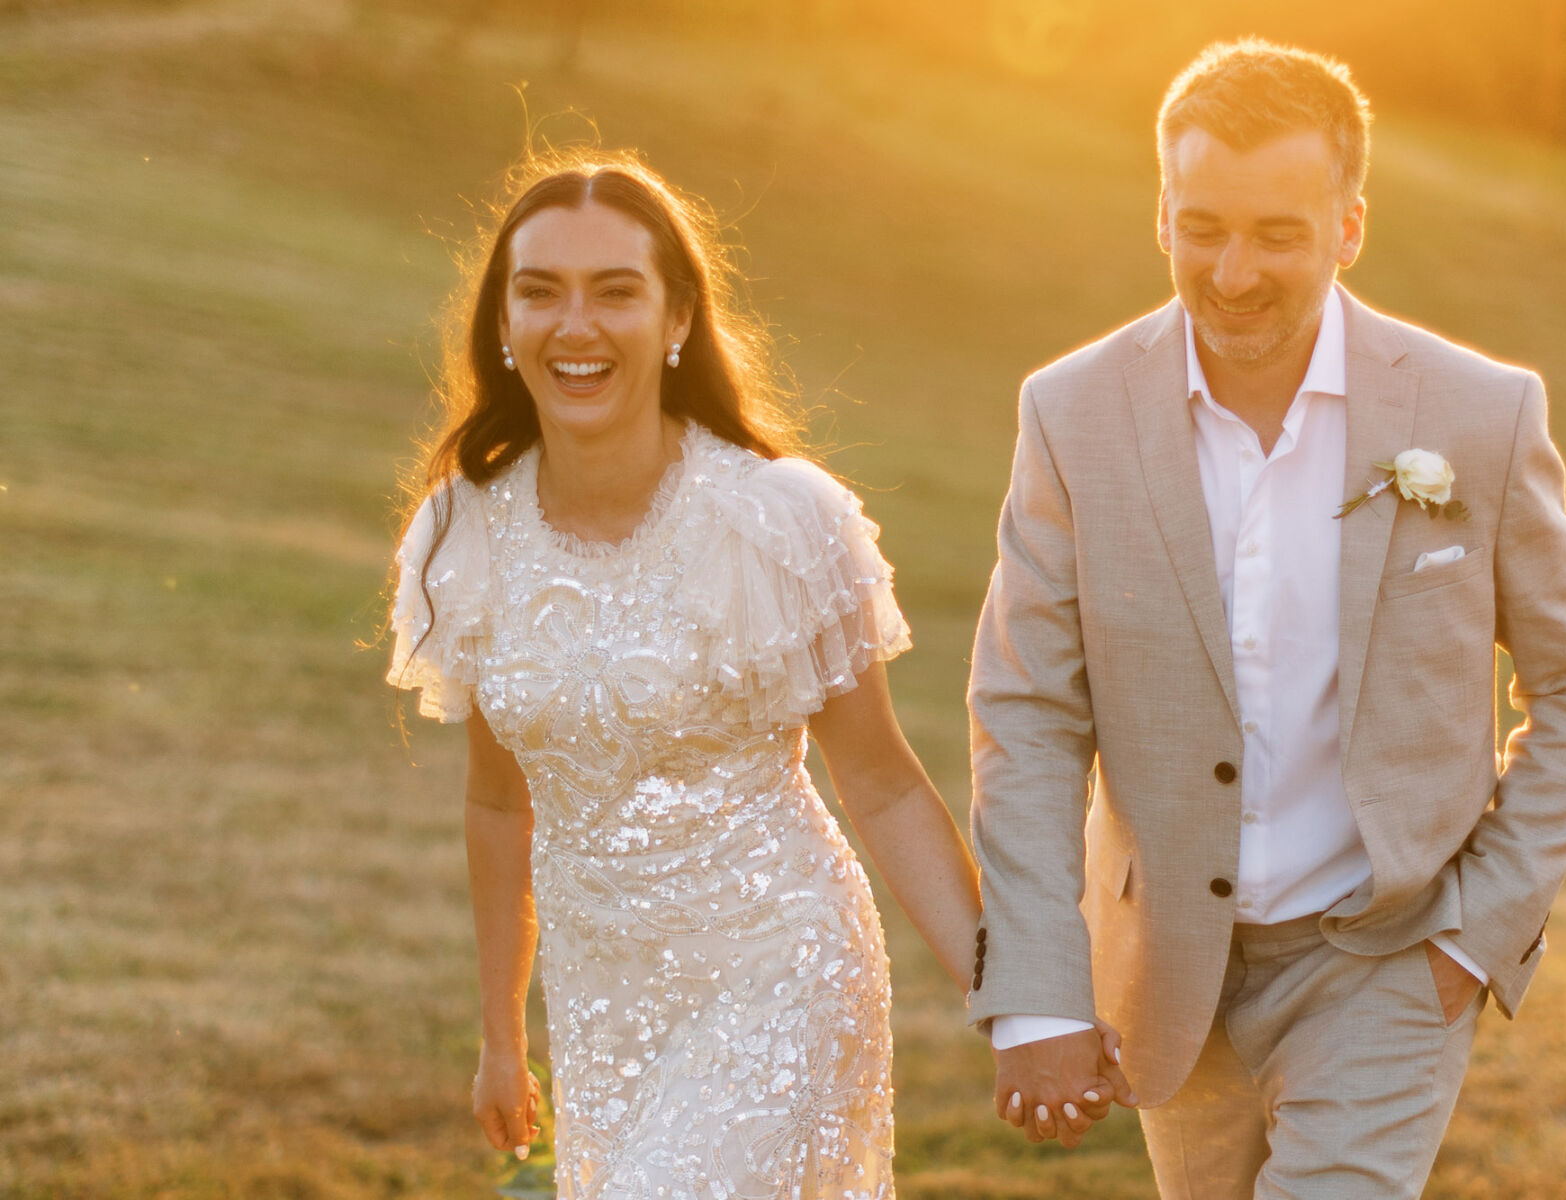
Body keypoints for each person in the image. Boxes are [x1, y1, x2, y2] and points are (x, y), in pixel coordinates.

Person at [966, 38, 1566, 1197]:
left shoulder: (1477, 413)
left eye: (1278, 233)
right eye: (1203, 226)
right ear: (1161, 218)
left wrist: (1473, 936)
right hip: (1170, 972)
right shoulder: (1071, 415)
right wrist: (1037, 991)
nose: (1232, 272)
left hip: (1387, 960)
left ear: (1349, 227)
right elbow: (1025, 712)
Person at [385, 152, 1121, 1198]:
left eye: (616, 291)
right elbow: (499, 807)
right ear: (502, 322)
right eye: (539, 290)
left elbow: (882, 784)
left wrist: (1018, 1007)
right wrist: (504, 1038)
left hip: (780, 974)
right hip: (606, 1012)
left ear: (678, 316)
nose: (574, 325)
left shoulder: (776, 519)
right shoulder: (462, 530)